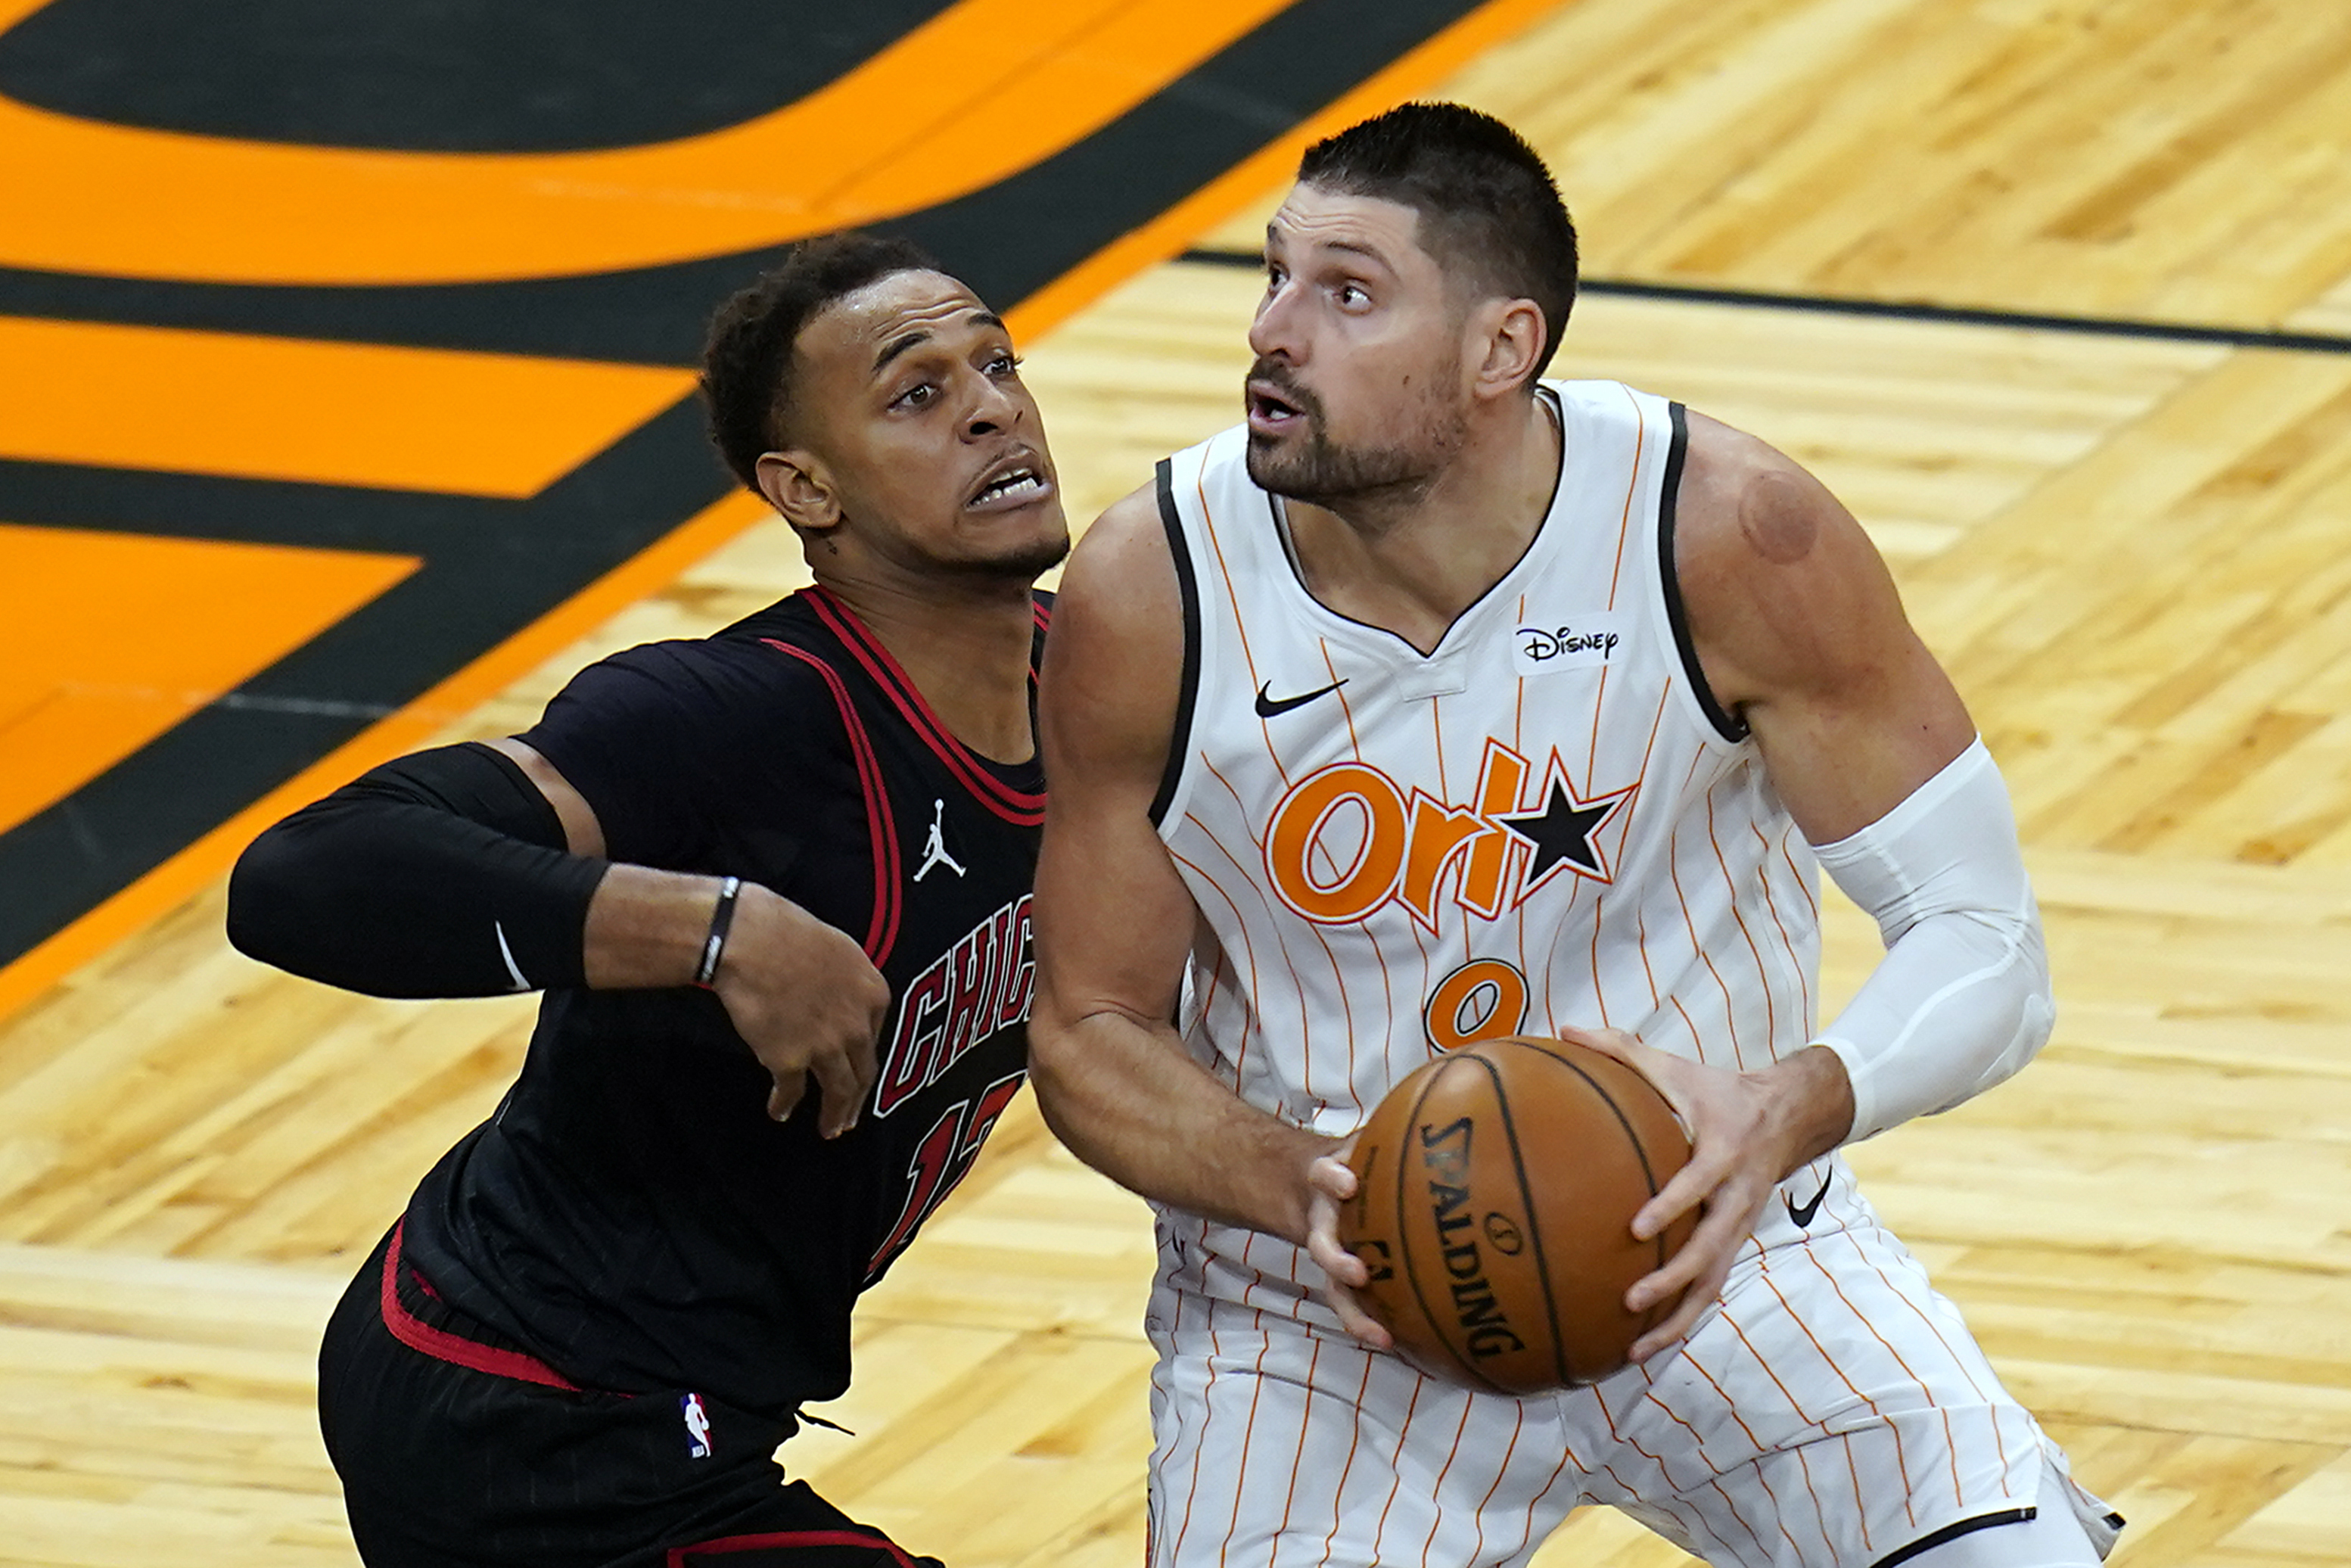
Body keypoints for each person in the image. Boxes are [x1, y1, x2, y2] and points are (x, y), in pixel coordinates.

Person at [1028, 103, 2124, 1568]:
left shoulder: (1725, 531)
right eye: (1275, 276)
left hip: (1730, 1248)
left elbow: (1988, 945)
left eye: (1348, 293)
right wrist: (1299, 1179)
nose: (1275, 332)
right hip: (1321, 1316)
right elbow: (1088, 1026)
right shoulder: (1153, 583)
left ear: (1503, 349)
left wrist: (1786, 1107)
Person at [227, 231, 1068, 1568]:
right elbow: (306, 873)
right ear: (807, 490)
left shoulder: (1098, 684)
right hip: (525, 1414)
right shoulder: (732, 717)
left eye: (997, 364)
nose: (990, 405)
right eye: (917, 393)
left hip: (687, 1410)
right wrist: (712, 928)